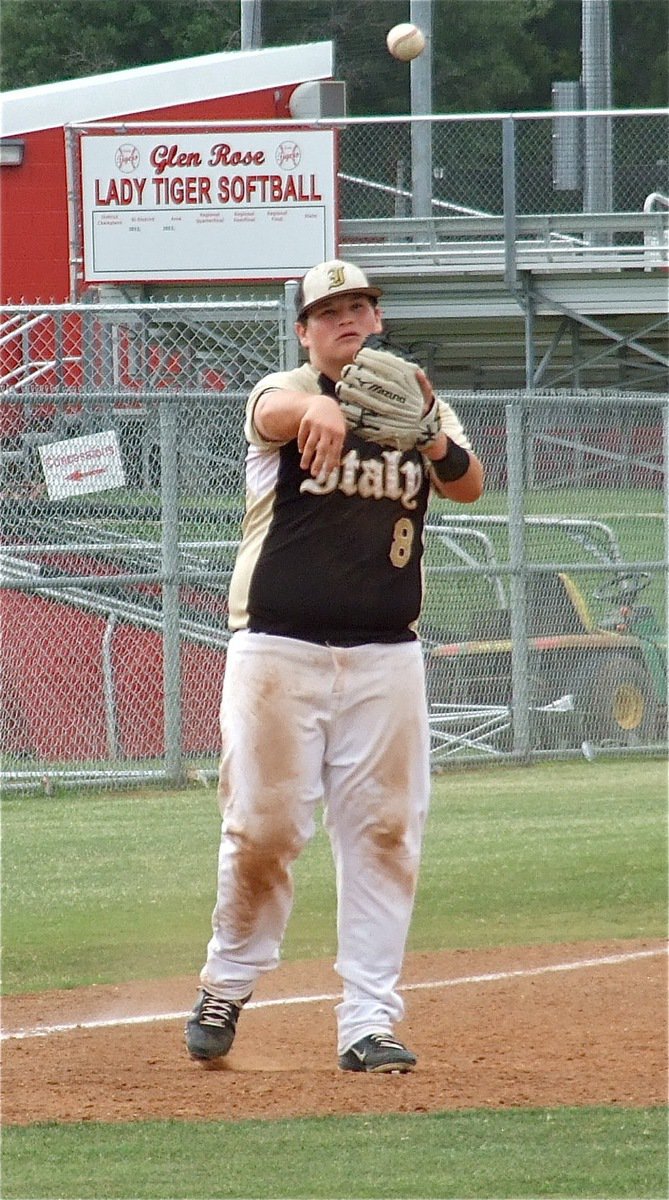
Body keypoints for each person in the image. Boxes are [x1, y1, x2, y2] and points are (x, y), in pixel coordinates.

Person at [185, 259, 484, 1073]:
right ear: (304, 331)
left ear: (377, 318)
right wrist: (317, 403)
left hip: (386, 655)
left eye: (358, 306)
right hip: (278, 650)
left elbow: (467, 485)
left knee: (385, 835)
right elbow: (270, 412)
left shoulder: (418, 399)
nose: (346, 319)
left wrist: (429, 434)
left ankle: (368, 1021)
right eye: (328, 311)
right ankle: (226, 983)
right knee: (265, 829)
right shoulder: (283, 391)